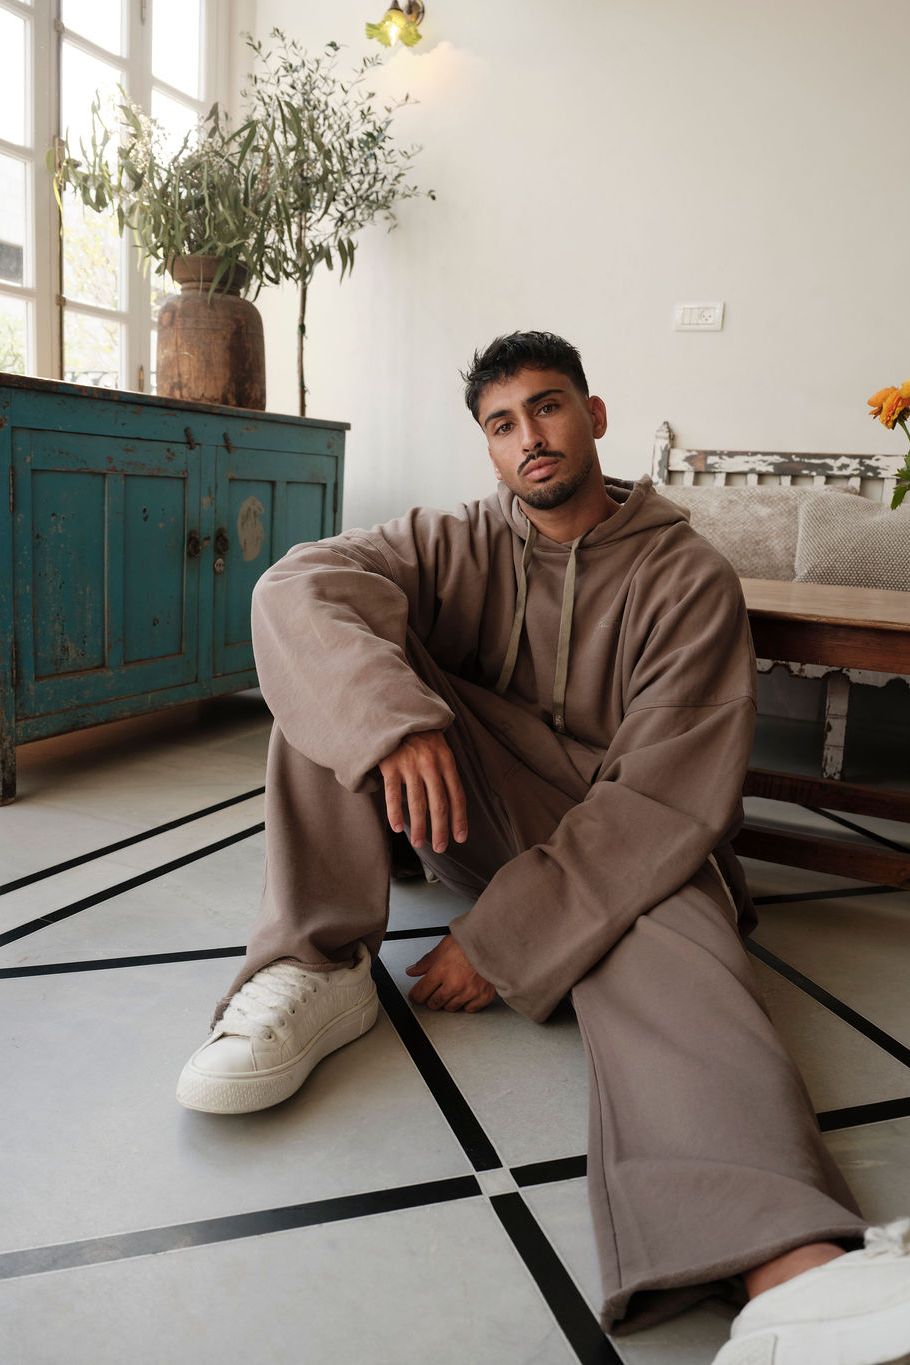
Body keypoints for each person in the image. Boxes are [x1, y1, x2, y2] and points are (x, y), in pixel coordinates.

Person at [177, 332, 910, 1363]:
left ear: (594, 415)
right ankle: (316, 960)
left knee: (675, 943)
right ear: (486, 445)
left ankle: (793, 1274)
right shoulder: (454, 540)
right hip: (479, 803)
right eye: (502, 423)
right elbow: (293, 587)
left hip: (631, 820)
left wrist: (505, 935)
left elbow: (664, 798)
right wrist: (396, 722)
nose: (530, 436)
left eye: (549, 407)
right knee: (328, 658)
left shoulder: (688, 575)